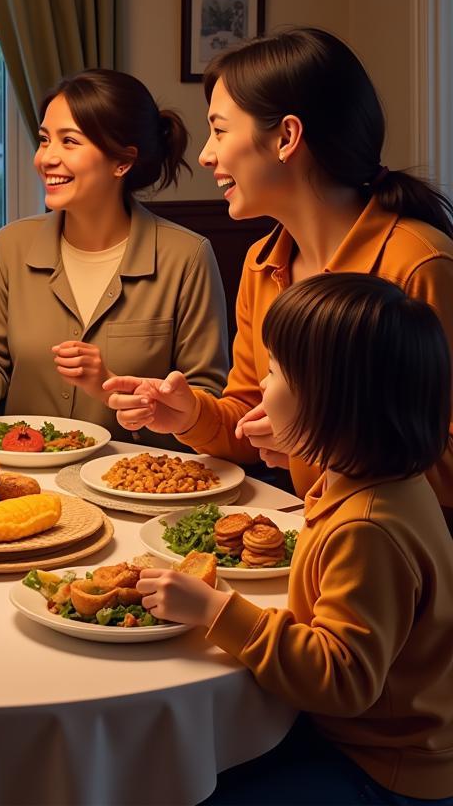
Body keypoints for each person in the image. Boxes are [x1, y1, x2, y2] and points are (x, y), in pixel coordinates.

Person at [104, 27, 453, 516]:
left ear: (287, 137)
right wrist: (189, 414)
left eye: (221, 131)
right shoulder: (262, 263)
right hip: (309, 527)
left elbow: (443, 464)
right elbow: (252, 422)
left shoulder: (419, 264)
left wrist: (312, 441)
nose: (206, 154)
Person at [136, 274, 453, 804]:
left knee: (185, 786)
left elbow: (342, 679)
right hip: (365, 740)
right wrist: (309, 451)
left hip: (384, 766)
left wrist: (216, 610)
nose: (263, 384)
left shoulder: (369, 527)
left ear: (332, 400)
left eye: (277, 371)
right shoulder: (379, 478)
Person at [0, 68, 228, 445]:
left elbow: (205, 398)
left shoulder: (186, 257)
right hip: (25, 482)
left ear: (122, 162)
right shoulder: (12, 245)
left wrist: (109, 385)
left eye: (70, 142)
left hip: (136, 483)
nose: (46, 158)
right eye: (44, 140)